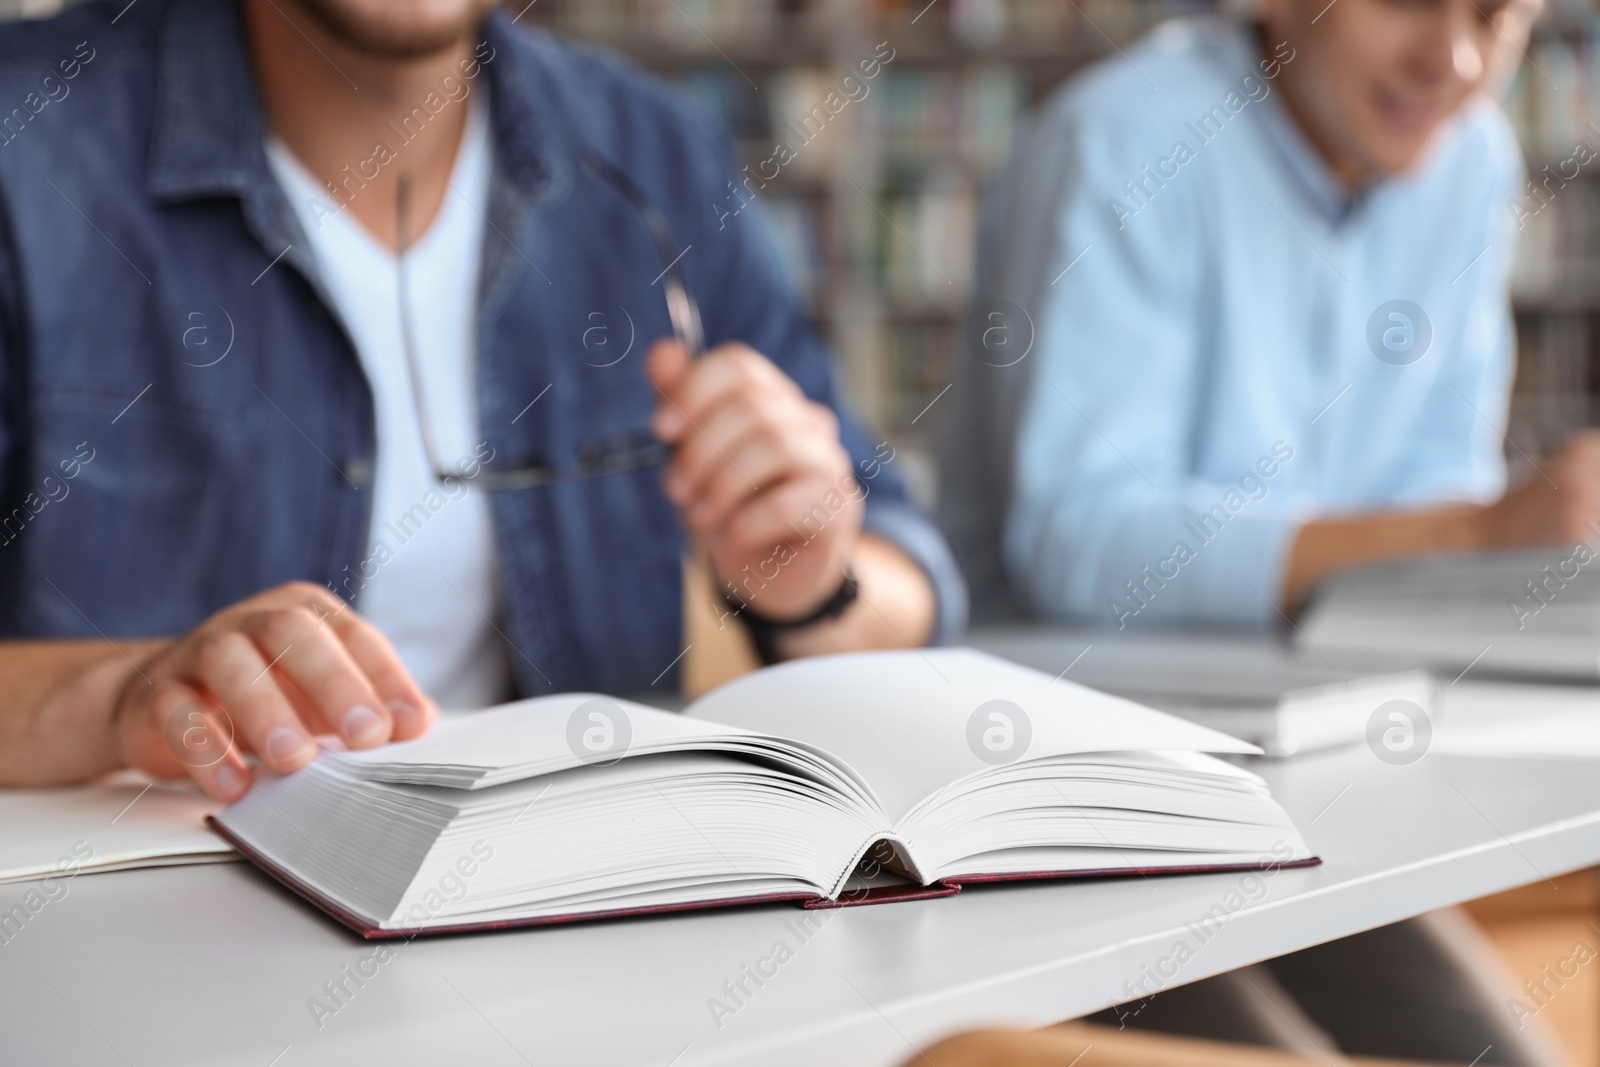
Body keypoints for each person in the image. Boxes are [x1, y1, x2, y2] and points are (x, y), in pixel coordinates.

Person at [0, 0, 965, 802]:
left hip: (557, 915)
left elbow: (909, 573)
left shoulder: (653, 153)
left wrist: (811, 579)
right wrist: (119, 694)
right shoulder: (27, 140)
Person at [945, 0, 1586, 629]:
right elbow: (1078, 546)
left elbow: (1439, 476)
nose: (1454, 61)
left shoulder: (1472, 157)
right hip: (1075, 701)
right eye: (1404, 3)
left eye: (1493, 17)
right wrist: (1479, 536)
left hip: (1342, 680)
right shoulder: (1119, 142)